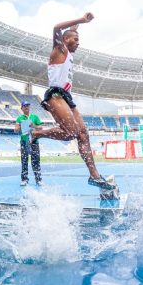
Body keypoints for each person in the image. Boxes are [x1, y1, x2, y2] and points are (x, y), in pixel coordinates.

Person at [32, 13, 114, 189]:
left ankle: (94, 175)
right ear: (65, 40)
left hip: (67, 97)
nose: (78, 42)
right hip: (55, 95)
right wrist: (80, 20)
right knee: (70, 133)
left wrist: (78, 27)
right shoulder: (59, 49)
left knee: (83, 133)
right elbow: (56, 28)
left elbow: (70, 31)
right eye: (75, 39)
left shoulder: (67, 52)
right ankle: (36, 133)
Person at [15, 101, 42, 186]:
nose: (26, 107)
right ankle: (24, 179)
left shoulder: (35, 117)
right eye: (25, 106)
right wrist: (19, 126)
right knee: (24, 161)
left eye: (28, 105)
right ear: (22, 108)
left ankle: (38, 179)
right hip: (24, 142)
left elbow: (40, 127)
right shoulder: (19, 118)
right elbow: (15, 130)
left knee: (36, 161)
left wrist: (33, 125)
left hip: (34, 142)